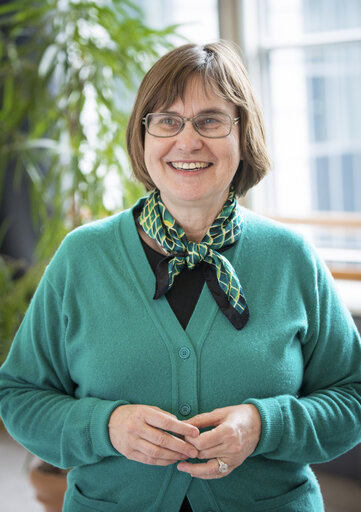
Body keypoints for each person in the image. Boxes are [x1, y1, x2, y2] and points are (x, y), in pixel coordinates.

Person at [0, 41, 361, 512]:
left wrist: (263, 424)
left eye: (211, 120)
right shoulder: (82, 258)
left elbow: (352, 398)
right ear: (143, 136)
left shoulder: (292, 258)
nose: (188, 141)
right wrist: (104, 426)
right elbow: (20, 398)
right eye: (167, 121)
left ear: (243, 135)